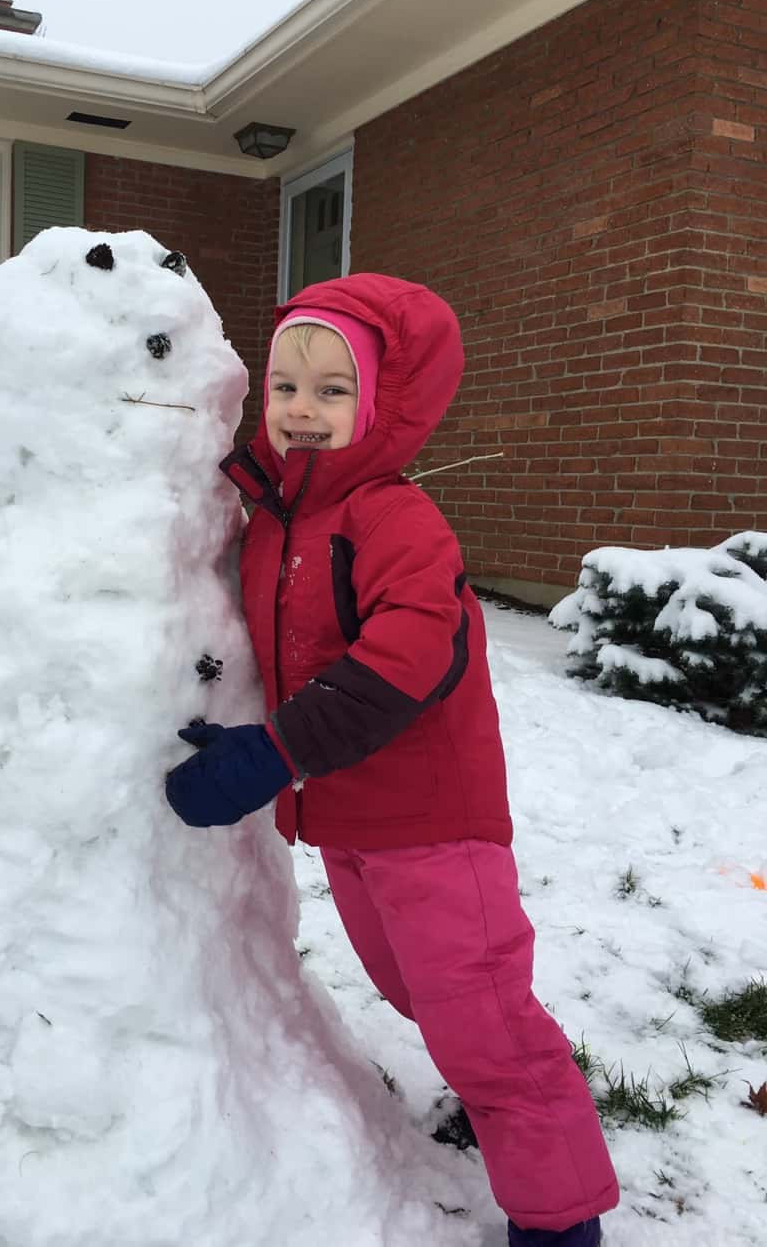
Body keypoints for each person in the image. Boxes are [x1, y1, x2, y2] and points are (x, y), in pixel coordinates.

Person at [165, 274, 618, 1247]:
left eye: (334, 390)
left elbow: (408, 657)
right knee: (422, 995)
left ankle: (559, 1212)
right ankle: (499, 1092)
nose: (304, 409)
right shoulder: (275, 524)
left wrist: (272, 751)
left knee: (484, 1022)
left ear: (382, 405)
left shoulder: (393, 519)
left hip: (434, 825)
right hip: (348, 825)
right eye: (288, 386)